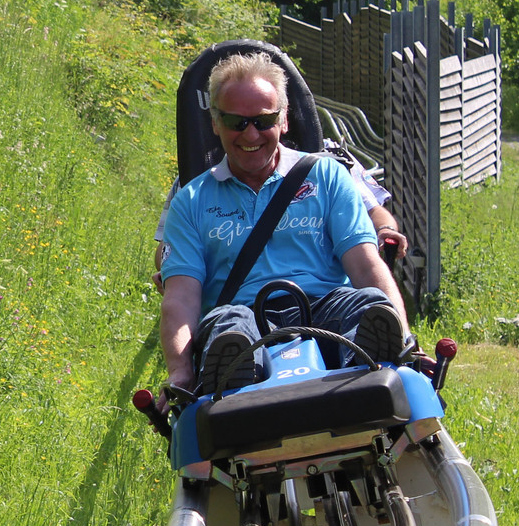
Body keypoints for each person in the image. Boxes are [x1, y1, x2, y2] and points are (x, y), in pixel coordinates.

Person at [152, 52, 411, 406]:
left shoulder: (327, 175)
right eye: (236, 122)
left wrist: (406, 338)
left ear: (284, 120)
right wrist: (180, 372)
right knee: (229, 324)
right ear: (215, 123)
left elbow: (365, 265)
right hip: (241, 314)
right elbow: (180, 297)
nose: (251, 133)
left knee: (366, 303)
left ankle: (371, 368)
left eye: (263, 120)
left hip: (326, 308)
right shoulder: (192, 199)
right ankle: (238, 379)